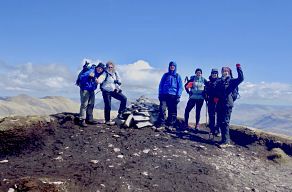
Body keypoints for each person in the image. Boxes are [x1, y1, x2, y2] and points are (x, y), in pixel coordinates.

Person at [214, 64, 244, 147]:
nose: (225, 72)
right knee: (220, 122)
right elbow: (216, 91)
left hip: (227, 104)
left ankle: (226, 142)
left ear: (229, 72)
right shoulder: (219, 81)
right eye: (223, 71)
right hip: (220, 104)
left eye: (226, 71)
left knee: (225, 122)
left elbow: (241, 78)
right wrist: (215, 98)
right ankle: (223, 140)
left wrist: (238, 68)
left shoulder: (232, 81)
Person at [97, 61, 127, 126]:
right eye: (109, 67)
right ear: (107, 67)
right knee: (108, 105)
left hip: (114, 90)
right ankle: (107, 120)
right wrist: (98, 80)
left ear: (113, 67)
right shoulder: (105, 73)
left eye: (111, 67)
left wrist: (118, 88)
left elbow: (119, 81)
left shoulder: (116, 73)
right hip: (106, 91)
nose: (110, 68)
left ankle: (120, 113)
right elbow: (101, 78)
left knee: (124, 99)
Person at [78, 62, 105, 127]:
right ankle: (82, 120)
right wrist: (89, 76)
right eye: (99, 68)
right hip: (85, 89)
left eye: (101, 69)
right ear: (97, 67)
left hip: (91, 90)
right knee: (84, 104)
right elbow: (82, 77)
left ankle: (89, 119)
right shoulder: (91, 70)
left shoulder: (98, 74)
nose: (100, 70)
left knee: (91, 104)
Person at [157, 61, 183, 128]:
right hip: (164, 95)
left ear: (175, 67)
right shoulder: (165, 75)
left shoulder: (177, 76)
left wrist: (178, 96)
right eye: (171, 65)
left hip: (173, 96)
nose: (172, 67)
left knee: (172, 111)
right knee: (162, 109)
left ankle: (170, 124)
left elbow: (180, 87)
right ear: (169, 67)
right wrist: (160, 94)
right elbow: (161, 85)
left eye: (173, 66)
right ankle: (162, 124)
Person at [205, 68, 220, 138]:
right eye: (213, 73)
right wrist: (205, 95)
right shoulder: (208, 82)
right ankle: (212, 129)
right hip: (210, 101)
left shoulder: (220, 82)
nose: (214, 75)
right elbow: (206, 91)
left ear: (217, 74)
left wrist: (218, 97)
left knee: (218, 116)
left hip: (218, 101)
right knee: (211, 115)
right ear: (211, 74)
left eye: (215, 73)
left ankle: (218, 130)